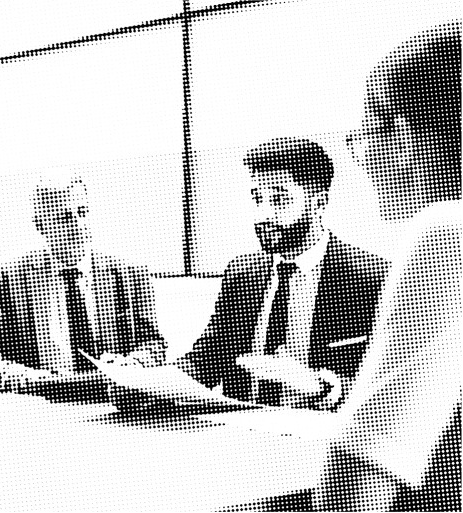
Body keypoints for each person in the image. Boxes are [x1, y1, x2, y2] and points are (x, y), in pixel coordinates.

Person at [314, 21, 461, 512]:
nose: (357, 154)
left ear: (417, 133)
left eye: (369, 125)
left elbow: (361, 474)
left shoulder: (445, 231)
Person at [168, 138, 389, 411]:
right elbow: (208, 358)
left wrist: (330, 387)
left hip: (321, 434)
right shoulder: (242, 272)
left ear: (318, 203)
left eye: (280, 199)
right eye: (257, 198)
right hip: (243, 430)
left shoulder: (372, 276)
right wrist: (154, 382)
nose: (263, 215)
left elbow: (391, 379)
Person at [0, 174, 166, 401]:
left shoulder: (131, 275)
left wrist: (131, 365)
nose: (79, 225)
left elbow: (154, 345)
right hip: (46, 403)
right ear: (41, 225)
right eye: (65, 217)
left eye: (83, 212)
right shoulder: (11, 279)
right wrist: (40, 382)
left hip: (115, 402)